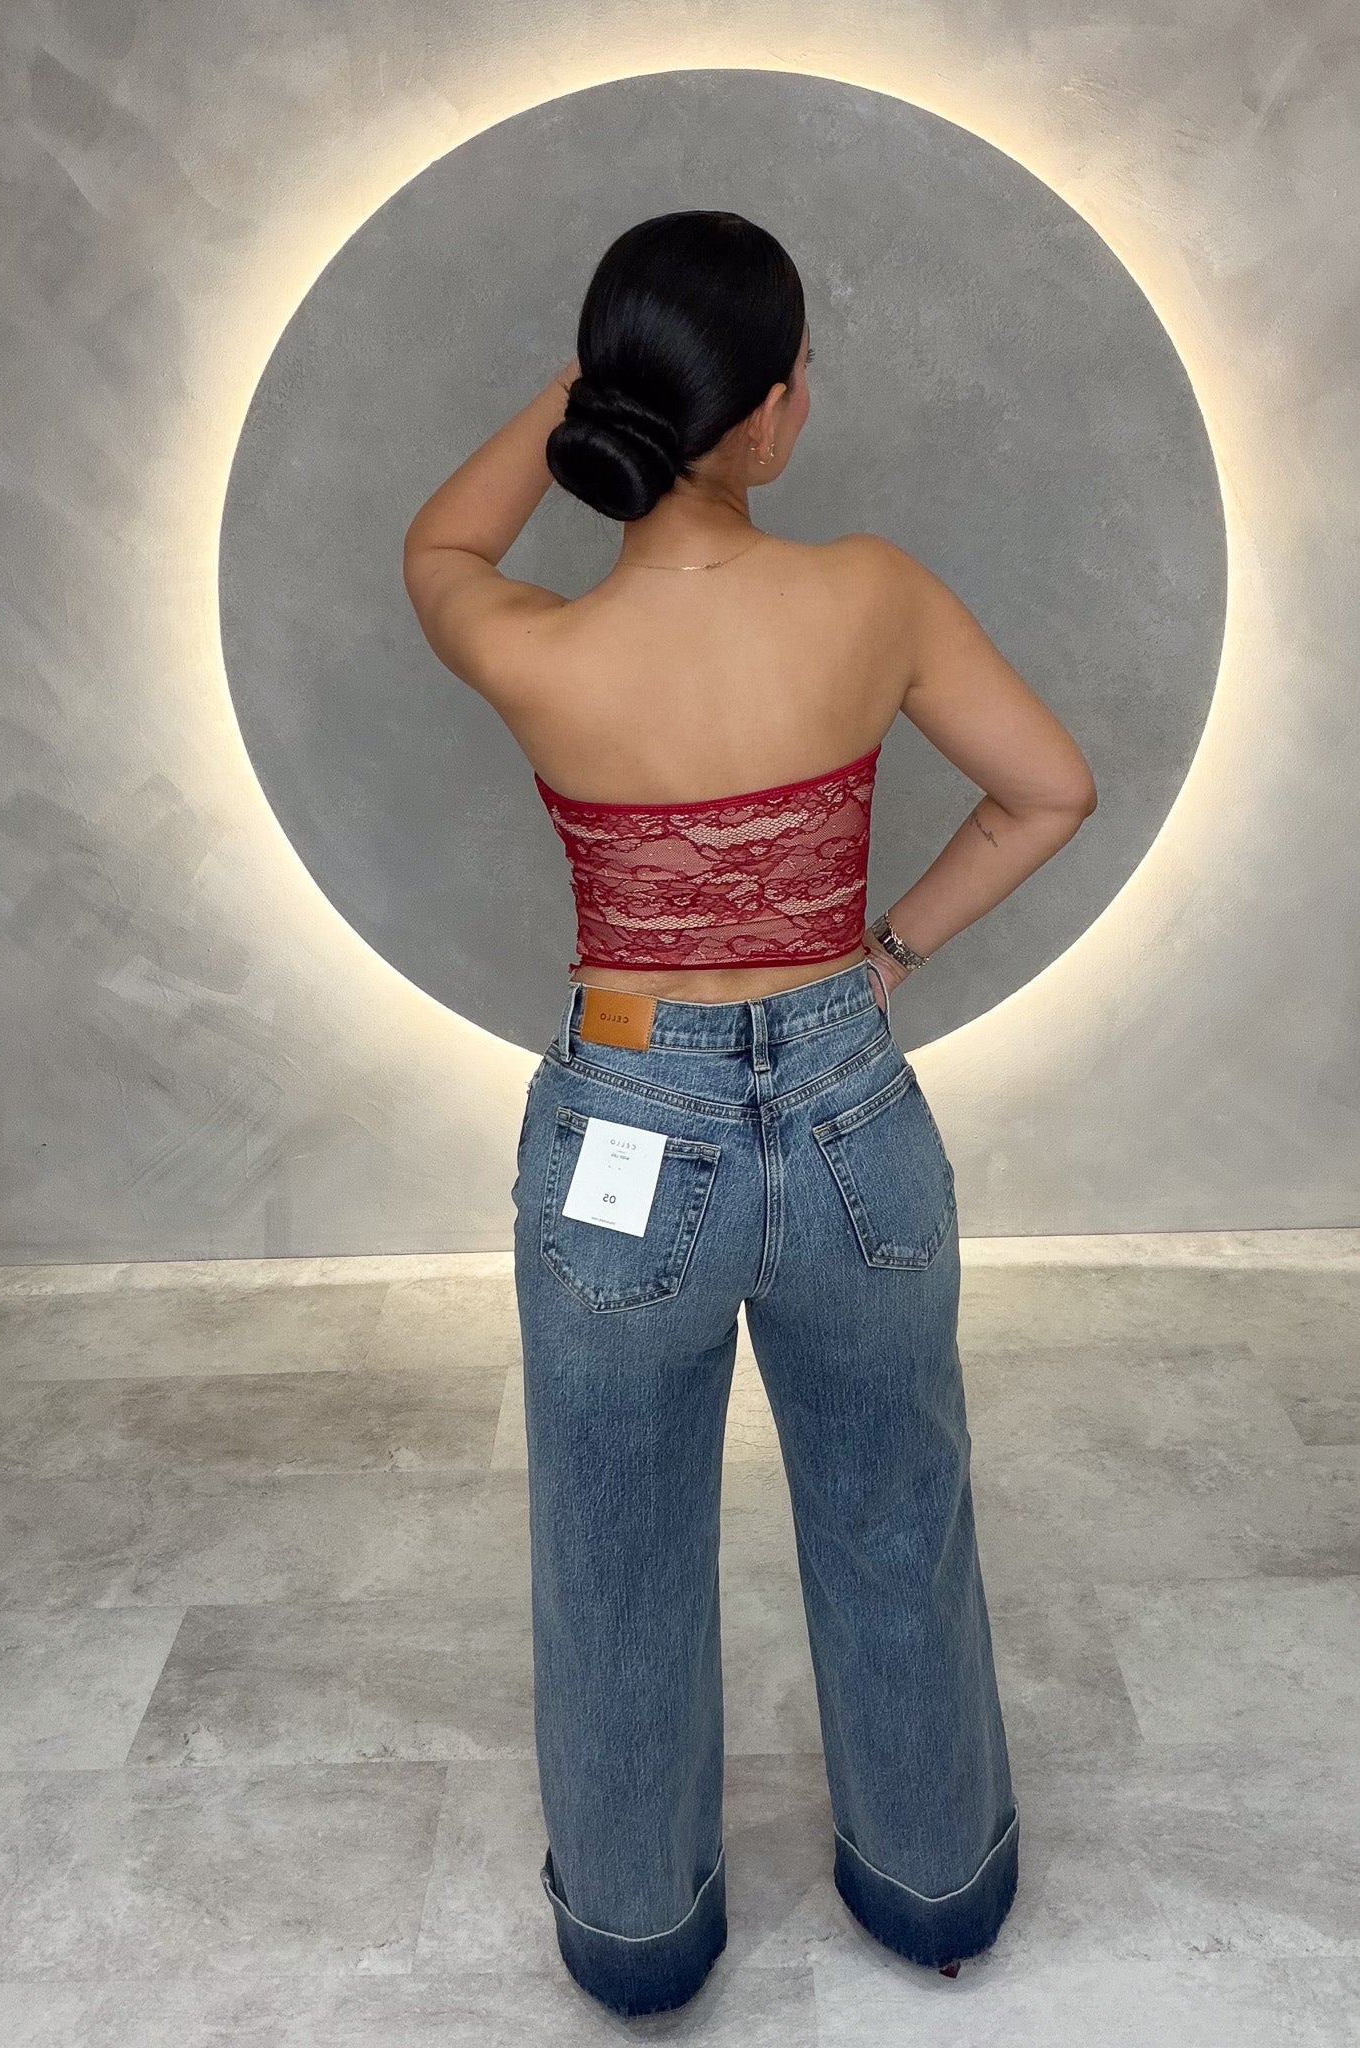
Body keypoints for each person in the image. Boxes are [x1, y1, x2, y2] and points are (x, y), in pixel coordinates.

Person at [403, 209, 1097, 2018]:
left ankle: (638, 1947)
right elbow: (1049, 790)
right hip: (853, 1108)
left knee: (614, 1554)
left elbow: (442, 541)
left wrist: (586, 384)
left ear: (614, 395)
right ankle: (936, 1894)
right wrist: (888, 952)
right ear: (777, 409)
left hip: (628, 1116)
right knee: (893, 1507)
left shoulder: (535, 641)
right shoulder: (873, 592)